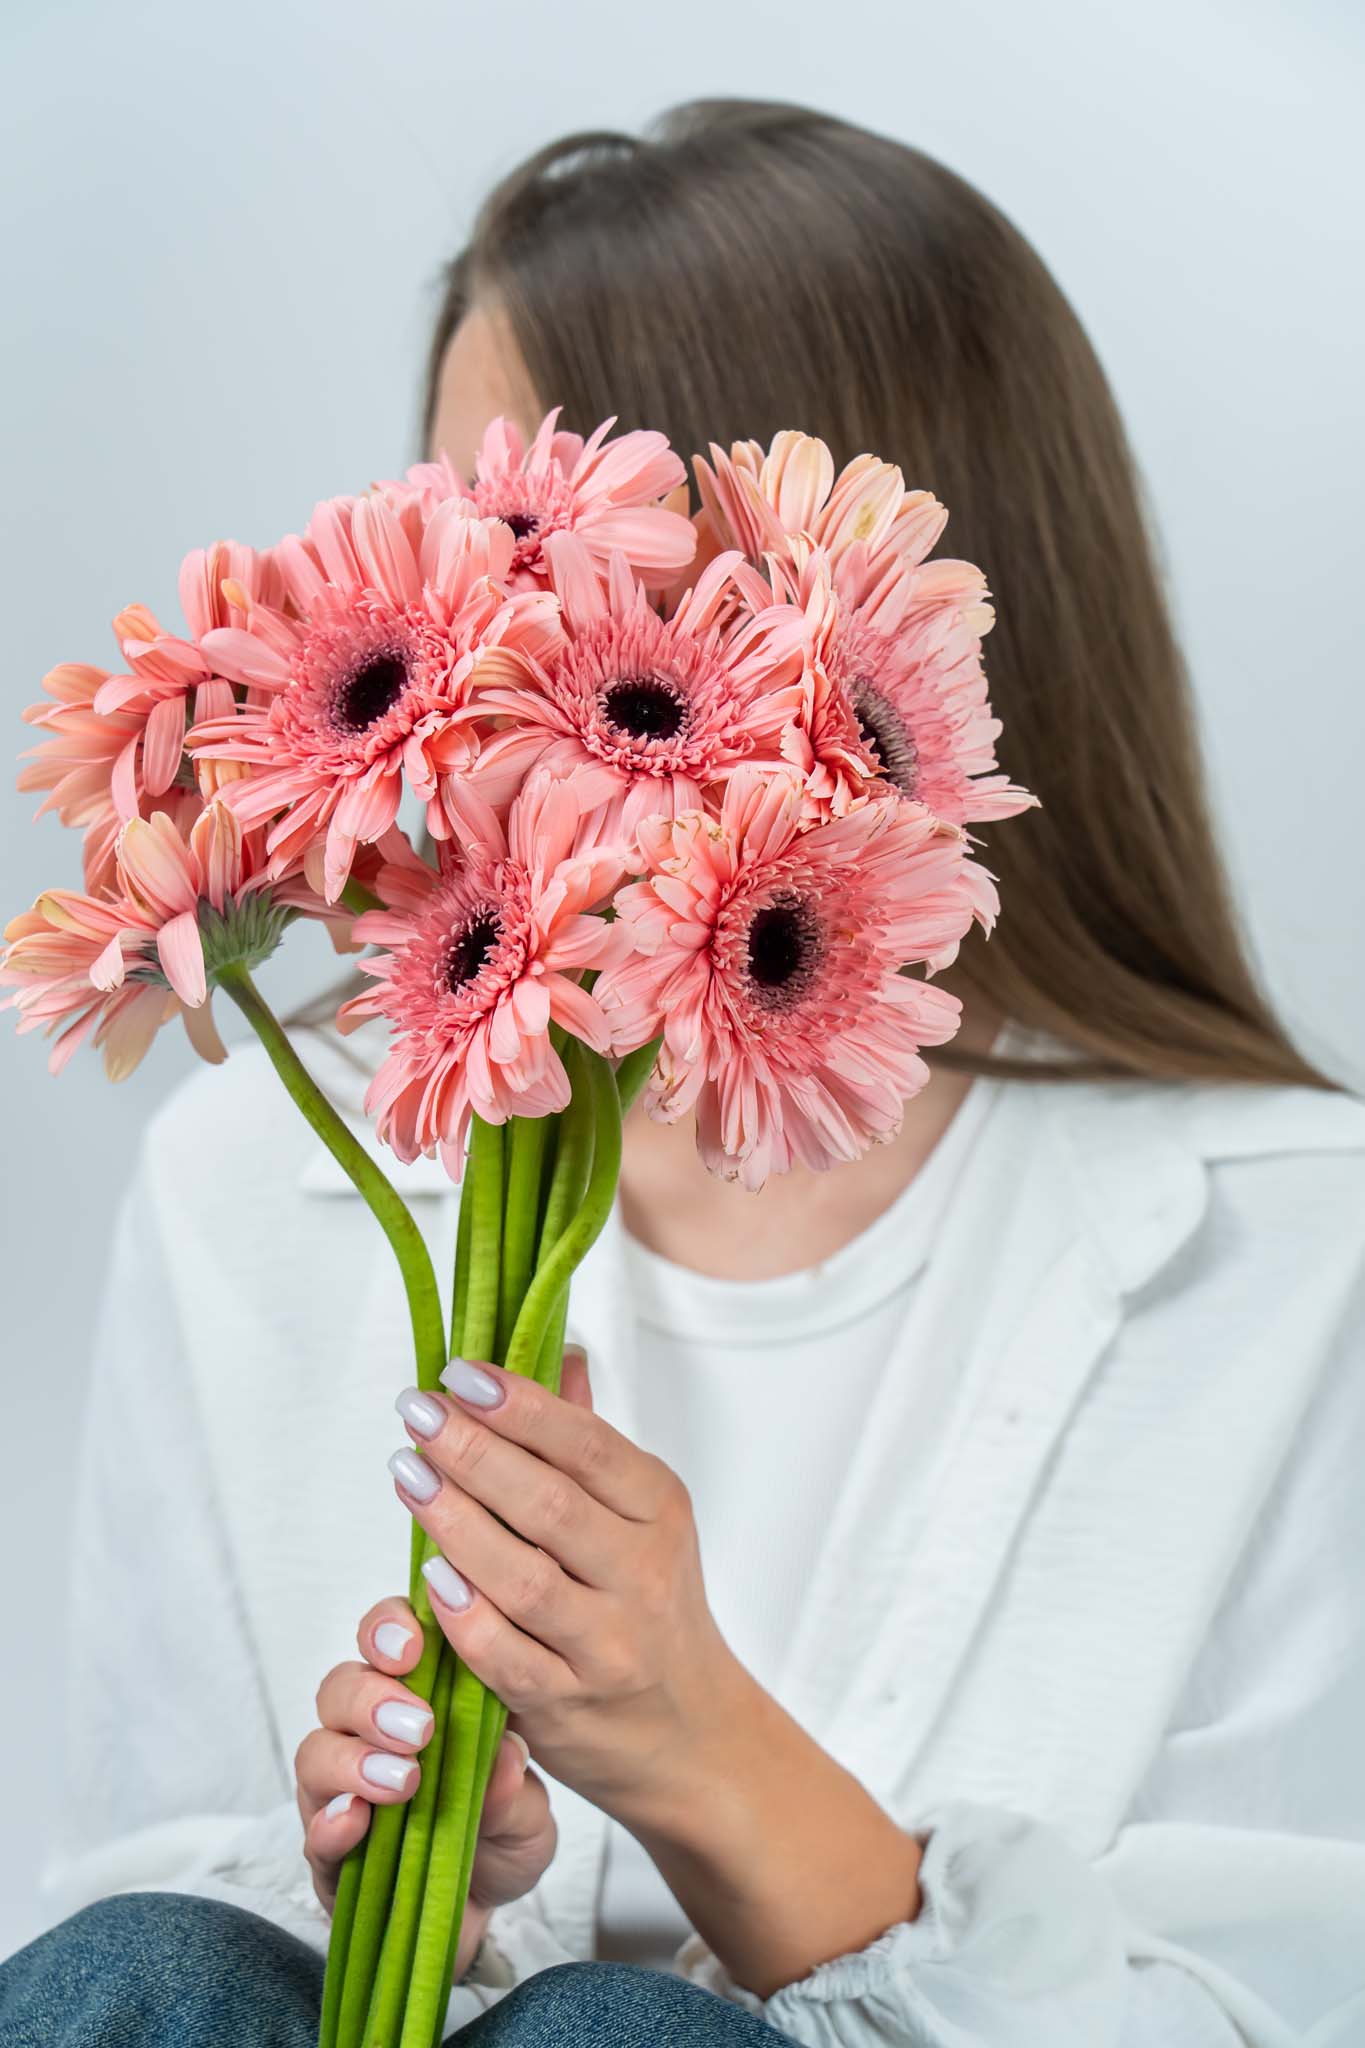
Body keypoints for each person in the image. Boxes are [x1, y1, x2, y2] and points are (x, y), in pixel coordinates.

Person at [4, 98, 1363, 2048]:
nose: (484, 635)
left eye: (569, 543)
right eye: (466, 537)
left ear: (846, 637)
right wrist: (390, 1881)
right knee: (148, 1963)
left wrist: (705, 1758)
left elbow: (1284, 2001)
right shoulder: (248, 1176)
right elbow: (138, 1913)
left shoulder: (1303, 1240)